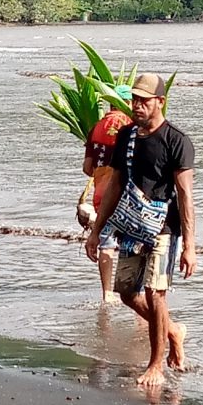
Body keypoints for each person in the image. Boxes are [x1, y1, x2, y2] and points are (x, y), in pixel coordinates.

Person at [83, 73, 196, 390]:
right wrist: (96, 231)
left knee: (155, 293)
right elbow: (115, 184)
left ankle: (156, 365)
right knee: (126, 293)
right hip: (132, 226)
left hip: (164, 228)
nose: (137, 106)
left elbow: (185, 194)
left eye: (144, 101)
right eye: (134, 100)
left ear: (160, 102)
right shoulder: (127, 137)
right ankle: (172, 331)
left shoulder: (177, 141)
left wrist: (189, 245)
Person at [78, 108, 131, 301]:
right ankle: (132, 290)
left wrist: (101, 173)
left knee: (106, 244)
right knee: (130, 244)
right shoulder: (132, 126)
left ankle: (107, 293)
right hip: (126, 196)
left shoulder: (96, 127)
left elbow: (87, 168)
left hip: (102, 196)